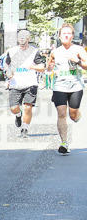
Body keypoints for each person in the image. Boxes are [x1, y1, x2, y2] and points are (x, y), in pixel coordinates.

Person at [45, 23, 87, 155]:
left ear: (72, 36)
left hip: (75, 86)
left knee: (72, 115)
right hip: (59, 86)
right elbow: (48, 67)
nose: (66, 35)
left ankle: (76, 115)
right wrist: (50, 68)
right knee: (61, 113)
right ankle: (64, 142)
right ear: (60, 36)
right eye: (64, 33)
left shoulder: (79, 49)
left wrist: (78, 61)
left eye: (69, 33)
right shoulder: (55, 52)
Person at [1, 29, 46, 138]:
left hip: (30, 83)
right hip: (15, 83)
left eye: (25, 36)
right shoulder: (11, 51)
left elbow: (42, 68)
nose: (22, 38)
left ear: (28, 38)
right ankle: (18, 115)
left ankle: (25, 129)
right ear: (17, 38)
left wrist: (33, 67)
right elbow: (6, 65)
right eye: (20, 36)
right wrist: (8, 73)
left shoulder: (34, 51)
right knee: (14, 108)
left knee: (28, 107)